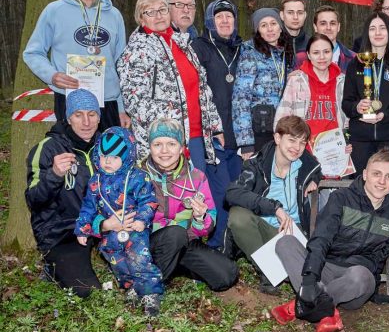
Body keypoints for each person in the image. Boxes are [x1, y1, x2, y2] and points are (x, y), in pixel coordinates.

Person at [271, 148, 389, 332]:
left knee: (360, 276)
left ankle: (303, 304)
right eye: (377, 174)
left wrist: (372, 292)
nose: (382, 181)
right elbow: (321, 238)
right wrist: (309, 279)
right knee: (285, 243)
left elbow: (380, 257)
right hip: (326, 267)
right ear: (365, 174)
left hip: (354, 283)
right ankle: (324, 307)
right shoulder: (341, 198)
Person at [116, 0, 223, 172]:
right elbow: (135, 102)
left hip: (195, 136)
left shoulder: (182, 43)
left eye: (162, 10)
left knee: (195, 187)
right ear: (141, 19)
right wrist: (169, 130)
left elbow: (202, 89)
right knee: (167, 190)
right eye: (151, 12)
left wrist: (215, 127)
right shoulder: (137, 50)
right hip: (164, 143)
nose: (159, 16)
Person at [23, 0, 129, 129]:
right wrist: (52, 76)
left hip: (108, 101)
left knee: (109, 148)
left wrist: (121, 107)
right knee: (72, 148)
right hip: (70, 100)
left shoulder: (114, 15)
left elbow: (120, 64)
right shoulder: (54, 11)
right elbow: (33, 53)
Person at [224, 116, 321, 294]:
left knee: (308, 269)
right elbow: (232, 193)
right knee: (238, 216)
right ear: (277, 138)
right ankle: (268, 271)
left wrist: (314, 179)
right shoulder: (257, 163)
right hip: (265, 231)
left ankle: (284, 269)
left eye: (302, 142)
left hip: (295, 232)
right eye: (291, 140)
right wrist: (274, 208)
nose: (297, 147)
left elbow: (317, 168)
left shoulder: (307, 163)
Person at [74, 127, 164, 317]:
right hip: (110, 232)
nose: (108, 162)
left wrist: (142, 219)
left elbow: (148, 201)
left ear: (126, 157)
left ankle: (150, 293)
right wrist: (82, 228)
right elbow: (88, 207)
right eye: (103, 156)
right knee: (117, 262)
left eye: (114, 157)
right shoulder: (95, 182)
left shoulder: (138, 177)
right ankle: (130, 287)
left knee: (139, 260)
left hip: (134, 229)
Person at [142, 118, 239, 291]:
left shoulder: (196, 177)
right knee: (175, 234)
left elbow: (205, 226)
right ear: (150, 147)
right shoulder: (138, 176)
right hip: (147, 244)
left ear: (181, 147)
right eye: (157, 144)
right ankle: (148, 285)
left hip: (184, 242)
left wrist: (200, 218)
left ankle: (172, 267)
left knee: (227, 275)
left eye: (171, 144)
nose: (164, 151)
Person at [25, 89, 103, 298]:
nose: (86, 122)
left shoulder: (107, 145)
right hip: (62, 231)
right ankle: (54, 267)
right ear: (68, 118)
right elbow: (33, 199)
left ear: (99, 117)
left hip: (103, 225)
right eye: (78, 115)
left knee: (137, 271)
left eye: (92, 114)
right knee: (86, 291)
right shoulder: (48, 148)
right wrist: (55, 174)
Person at [190, 0, 243, 249]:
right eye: (219, 16)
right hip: (213, 135)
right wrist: (211, 128)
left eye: (229, 16)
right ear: (210, 21)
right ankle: (216, 244)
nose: (224, 21)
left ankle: (234, 244)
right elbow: (196, 91)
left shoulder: (242, 49)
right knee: (219, 193)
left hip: (239, 136)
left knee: (237, 192)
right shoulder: (199, 47)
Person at [342, 12, 389, 172]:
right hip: (360, 141)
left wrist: (386, 115)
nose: (377, 33)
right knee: (361, 184)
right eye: (372, 28)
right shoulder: (355, 64)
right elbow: (346, 104)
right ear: (366, 33)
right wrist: (357, 107)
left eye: (382, 28)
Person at [232, 7, 296, 156]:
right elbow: (240, 98)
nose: (270, 29)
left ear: (280, 27)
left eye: (273, 23)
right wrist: (246, 142)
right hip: (259, 129)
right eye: (263, 25)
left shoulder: (285, 53)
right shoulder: (250, 54)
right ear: (258, 31)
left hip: (282, 127)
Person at [275, 34, 348, 145]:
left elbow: (349, 119)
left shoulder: (343, 81)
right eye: (316, 53)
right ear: (308, 55)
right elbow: (282, 116)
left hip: (335, 148)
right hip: (302, 148)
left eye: (326, 52)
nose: (322, 57)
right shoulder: (296, 80)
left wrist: (347, 141)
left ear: (332, 53)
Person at [294, 5, 355, 72]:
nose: (328, 28)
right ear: (315, 27)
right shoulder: (301, 58)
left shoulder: (353, 58)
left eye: (332, 23)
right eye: (323, 23)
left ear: (338, 27)